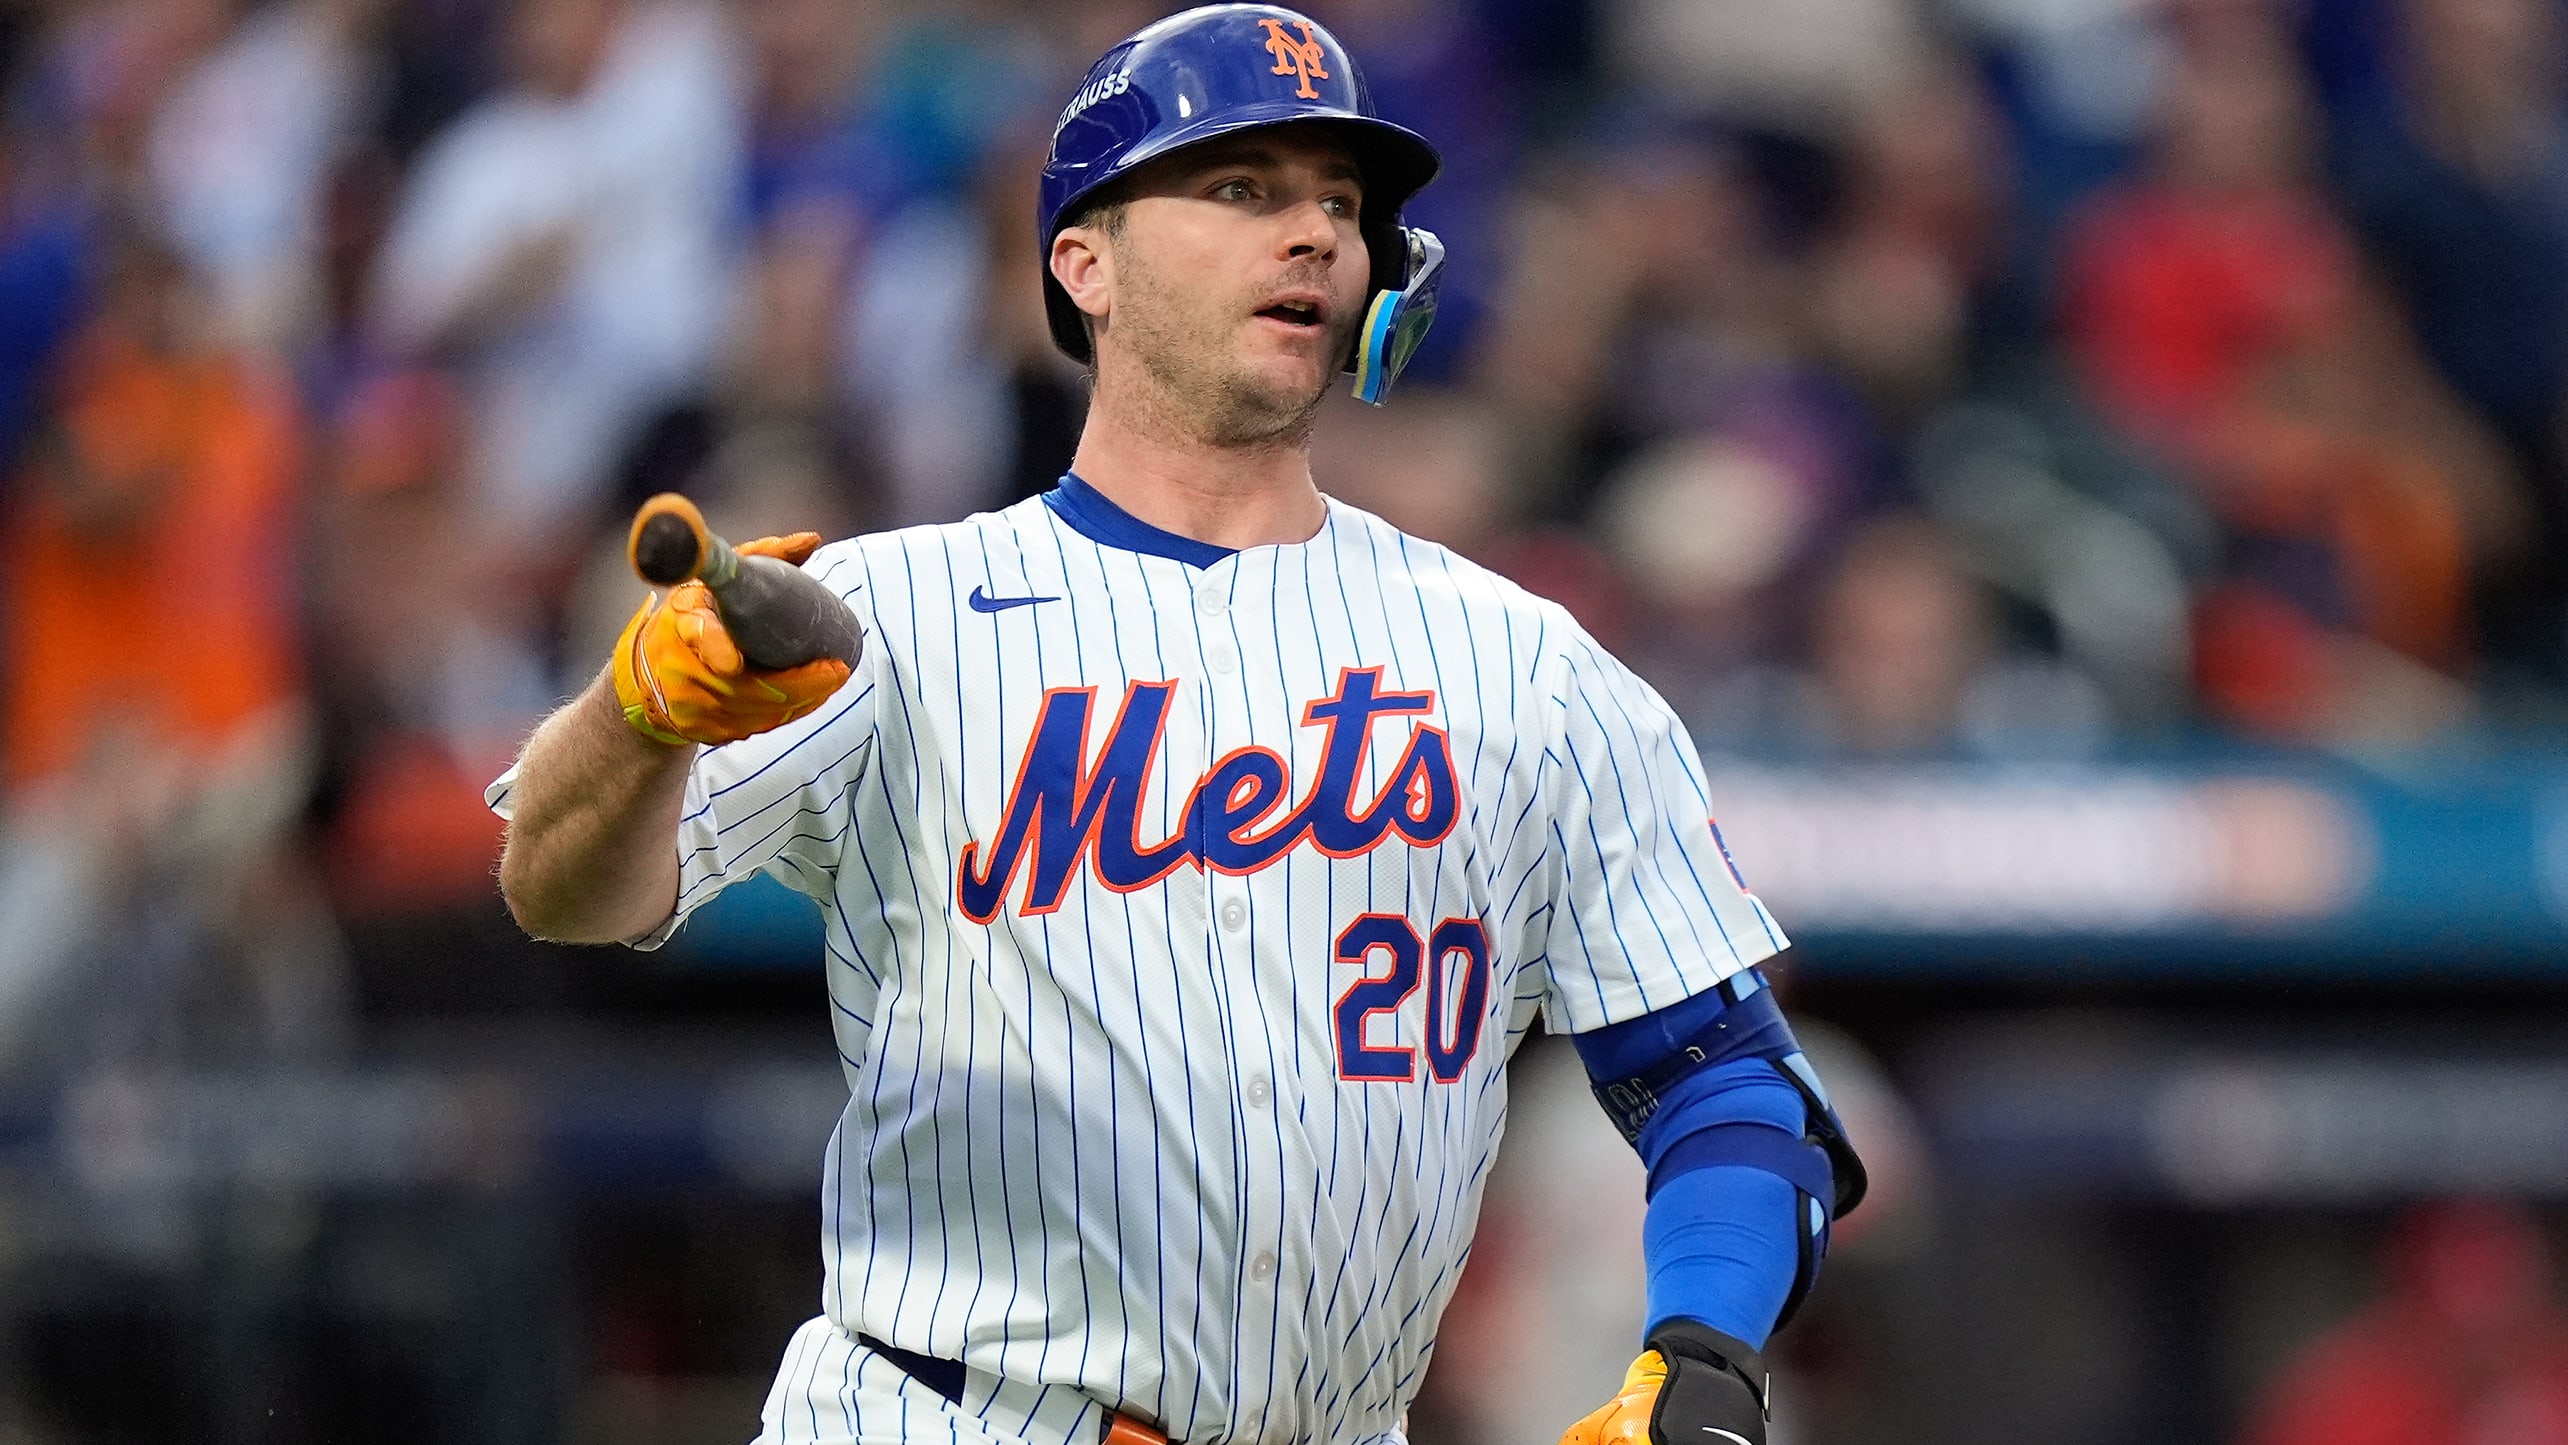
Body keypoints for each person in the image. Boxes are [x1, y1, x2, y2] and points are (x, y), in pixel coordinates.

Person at [489, 8, 1861, 1444]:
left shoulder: (1524, 665)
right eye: (1239, 189)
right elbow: (556, 882)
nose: (1313, 234)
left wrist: (1701, 1352)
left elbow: (1725, 1078)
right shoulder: (892, 611)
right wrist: (639, 712)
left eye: (1339, 202)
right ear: (1083, 261)